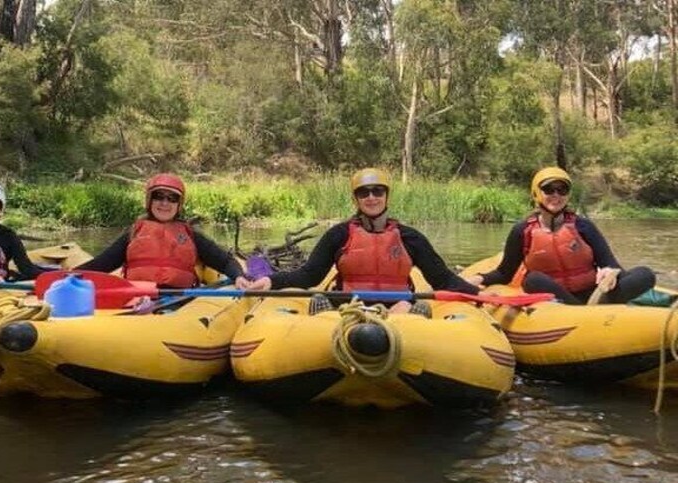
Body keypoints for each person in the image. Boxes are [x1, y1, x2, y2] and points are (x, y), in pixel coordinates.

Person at [246, 168, 480, 313]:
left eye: (377, 191)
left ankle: (405, 330)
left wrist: (475, 293)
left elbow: (441, 278)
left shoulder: (410, 238)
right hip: (349, 305)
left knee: (413, 308)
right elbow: (310, 275)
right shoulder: (339, 235)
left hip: (398, 307)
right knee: (320, 300)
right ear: (356, 199)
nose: (371, 197)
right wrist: (271, 281)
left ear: (387, 195)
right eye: (363, 192)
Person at [465, 166, 656, 305]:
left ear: (568, 195)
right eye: (549, 189)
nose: (556, 195)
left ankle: (591, 307)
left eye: (562, 189)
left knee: (645, 274)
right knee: (533, 280)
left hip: (594, 293)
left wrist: (609, 272)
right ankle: (581, 310)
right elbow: (504, 273)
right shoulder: (522, 231)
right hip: (557, 299)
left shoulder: (583, 226)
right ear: (536, 194)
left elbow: (612, 265)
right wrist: (478, 279)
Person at [76, 173, 248, 289]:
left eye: (172, 199)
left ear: (178, 205)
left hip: (180, 302)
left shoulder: (191, 235)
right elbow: (101, 264)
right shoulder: (133, 233)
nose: (165, 203)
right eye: (159, 196)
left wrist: (239, 276)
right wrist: (69, 276)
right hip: (138, 299)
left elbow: (225, 262)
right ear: (150, 201)